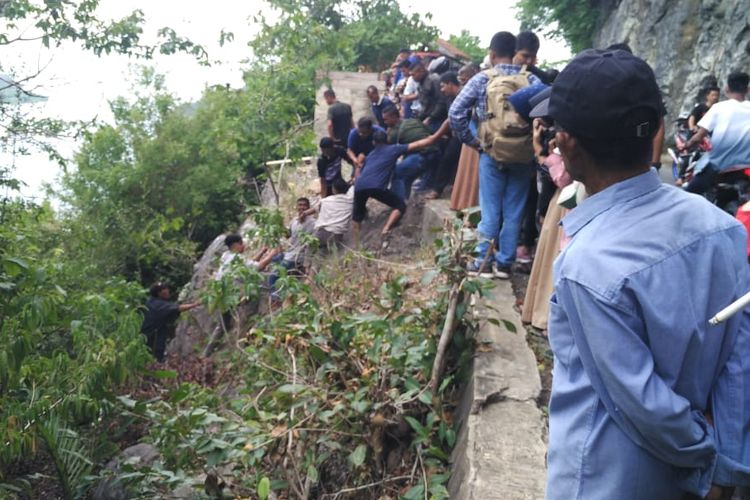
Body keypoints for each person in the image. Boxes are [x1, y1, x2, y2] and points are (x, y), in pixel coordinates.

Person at [545, 48, 750, 499]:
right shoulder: (721, 228)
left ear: (567, 143)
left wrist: (704, 456)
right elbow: (739, 358)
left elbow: (642, 404)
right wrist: (727, 467)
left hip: (605, 478)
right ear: (657, 132)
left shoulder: (588, 266)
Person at [449, 31, 541, 279]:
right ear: (514, 53)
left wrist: (475, 143)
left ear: (491, 54)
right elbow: (547, 114)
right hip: (522, 156)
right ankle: (504, 264)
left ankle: (483, 262)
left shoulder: (482, 79)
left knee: (490, 209)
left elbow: (456, 113)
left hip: (492, 153)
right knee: (514, 210)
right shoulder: (531, 79)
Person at [352, 129, 440, 242]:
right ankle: (386, 229)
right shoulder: (393, 149)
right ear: (387, 140)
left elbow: (360, 171)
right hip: (376, 186)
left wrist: (357, 170)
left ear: (373, 142)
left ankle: (356, 244)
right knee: (400, 205)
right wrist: (435, 137)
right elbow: (418, 144)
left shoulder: (370, 155)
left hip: (359, 186)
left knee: (356, 218)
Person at [683, 71, 750, 195]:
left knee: (690, 193)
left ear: (727, 89)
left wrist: (687, 145)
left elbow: (698, 137)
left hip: (719, 166)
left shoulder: (718, 108)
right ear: (747, 90)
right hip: (746, 168)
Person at [381, 105, 441, 200]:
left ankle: (398, 203)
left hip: (423, 156)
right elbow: (428, 132)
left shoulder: (394, 133)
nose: (385, 122)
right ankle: (405, 198)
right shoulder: (413, 121)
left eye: (386, 120)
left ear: (394, 117)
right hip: (437, 152)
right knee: (407, 174)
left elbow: (388, 151)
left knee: (398, 173)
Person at [423, 71, 463, 199]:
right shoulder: (449, 98)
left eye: (443, 86)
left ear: (450, 84)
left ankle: (438, 190)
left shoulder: (463, 96)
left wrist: (436, 136)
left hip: (464, 135)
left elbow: (450, 119)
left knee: (447, 159)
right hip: (455, 134)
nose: (441, 89)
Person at [140, 283, 199, 362]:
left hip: (147, 335)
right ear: (160, 293)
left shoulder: (151, 301)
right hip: (154, 336)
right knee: (155, 356)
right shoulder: (159, 305)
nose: (168, 291)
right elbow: (178, 308)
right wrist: (195, 304)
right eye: (165, 290)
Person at [268, 198, 316, 293]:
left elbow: (311, 244)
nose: (302, 207)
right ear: (297, 207)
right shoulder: (294, 220)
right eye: (300, 205)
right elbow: (288, 235)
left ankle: (274, 297)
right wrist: (280, 225)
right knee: (271, 260)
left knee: (272, 276)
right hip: (289, 253)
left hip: (297, 257)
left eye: (304, 205)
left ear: (308, 207)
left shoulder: (313, 223)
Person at [305, 177, 354, 249]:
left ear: (334, 189)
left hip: (322, 233)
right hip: (338, 235)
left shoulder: (326, 201)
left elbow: (315, 209)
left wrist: (304, 213)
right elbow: (353, 186)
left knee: (309, 249)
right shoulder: (350, 200)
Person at [410, 61, 447, 131]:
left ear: (421, 71)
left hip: (437, 119)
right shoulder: (421, 82)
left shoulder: (434, 80)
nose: (412, 78)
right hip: (426, 117)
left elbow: (441, 102)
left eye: (413, 75)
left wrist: (430, 118)